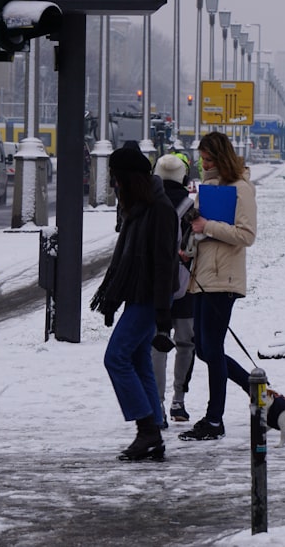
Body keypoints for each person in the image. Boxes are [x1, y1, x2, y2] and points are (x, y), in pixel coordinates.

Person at [90, 144, 178, 460]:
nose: (115, 184)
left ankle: (148, 430)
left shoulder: (160, 210)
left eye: (117, 178)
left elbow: (165, 265)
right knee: (139, 360)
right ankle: (152, 429)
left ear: (131, 178)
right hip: (139, 295)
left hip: (150, 298)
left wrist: (163, 318)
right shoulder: (139, 208)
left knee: (116, 357)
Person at [179, 132, 257, 441]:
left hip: (224, 279)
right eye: (202, 159)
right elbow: (203, 232)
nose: (205, 164)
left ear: (222, 158)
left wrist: (206, 226)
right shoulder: (208, 189)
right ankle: (254, 386)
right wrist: (190, 245)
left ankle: (214, 420)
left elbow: (246, 235)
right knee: (203, 349)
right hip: (202, 277)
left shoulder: (242, 189)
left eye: (210, 159)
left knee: (212, 349)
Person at [151, 152, 196, 427]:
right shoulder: (190, 206)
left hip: (156, 284)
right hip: (185, 281)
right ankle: (179, 399)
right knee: (185, 342)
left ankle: (156, 403)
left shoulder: (150, 203)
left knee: (158, 343)